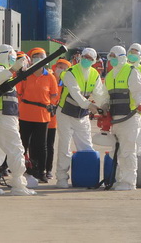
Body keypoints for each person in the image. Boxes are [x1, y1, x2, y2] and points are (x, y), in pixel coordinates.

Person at [0, 44, 35, 196]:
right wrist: (13, 69)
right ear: (6, 55)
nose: (14, 58)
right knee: (16, 148)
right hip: (3, 116)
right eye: (12, 55)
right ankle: (18, 184)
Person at [55, 48, 108, 188]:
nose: (87, 60)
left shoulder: (94, 75)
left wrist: (104, 105)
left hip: (82, 115)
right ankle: (61, 178)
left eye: (90, 58)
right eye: (85, 57)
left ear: (95, 61)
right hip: (65, 113)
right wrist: (90, 105)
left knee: (86, 146)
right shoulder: (70, 73)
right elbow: (76, 93)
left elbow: (99, 93)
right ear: (80, 57)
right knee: (64, 146)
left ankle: (88, 176)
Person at [102, 45, 141, 191]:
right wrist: (103, 108)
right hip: (115, 120)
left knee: (128, 151)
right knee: (119, 152)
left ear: (122, 57)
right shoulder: (109, 76)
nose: (112, 60)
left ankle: (129, 182)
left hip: (130, 118)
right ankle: (120, 179)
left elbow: (140, 90)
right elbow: (105, 97)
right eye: (111, 57)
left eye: (114, 56)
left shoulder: (131, 72)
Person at [16, 47, 58, 181]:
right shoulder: (26, 75)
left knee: (42, 145)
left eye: (41, 56)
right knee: (23, 143)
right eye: (36, 56)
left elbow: (54, 95)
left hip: (42, 115)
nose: (38, 58)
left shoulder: (50, 77)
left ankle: (42, 171)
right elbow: (19, 92)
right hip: (26, 114)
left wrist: (48, 105)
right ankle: (23, 169)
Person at [45, 58, 70, 180]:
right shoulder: (49, 78)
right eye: (59, 66)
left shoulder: (67, 82)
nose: (60, 69)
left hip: (55, 116)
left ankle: (48, 169)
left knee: (50, 144)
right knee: (38, 143)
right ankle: (37, 167)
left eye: (63, 67)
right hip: (43, 112)